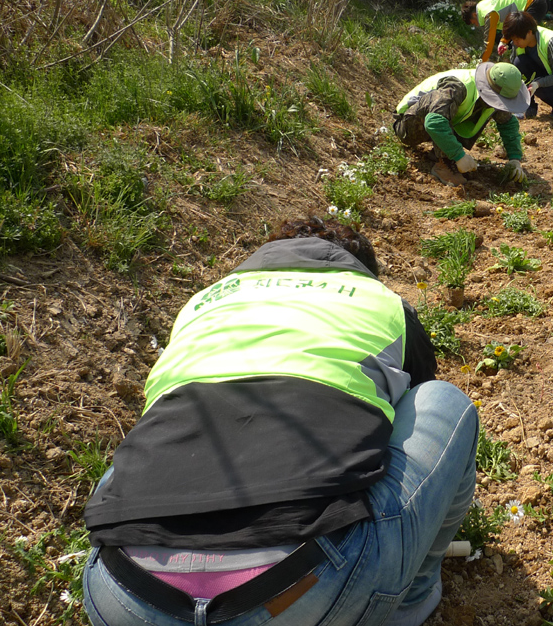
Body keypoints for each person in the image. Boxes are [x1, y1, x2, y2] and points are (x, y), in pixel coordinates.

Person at [82, 217, 479, 626]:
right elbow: (413, 402)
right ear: (358, 266)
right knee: (441, 400)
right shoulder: (383, 301)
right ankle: (410, 601)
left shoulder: (203, 302)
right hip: (304, 595)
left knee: (146, 442)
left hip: (122, 594)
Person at [393, 62, 529, 186]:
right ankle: (443, 164)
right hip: (407, 125)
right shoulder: (457, 86)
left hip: (437, 122)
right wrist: (459, 155)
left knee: (491, 111)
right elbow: (434, 121)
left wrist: (514, 159)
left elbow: (507, 123)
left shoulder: (496, 91)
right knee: (439, 115)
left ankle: (442, 153)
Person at [502, 11, 553, 118]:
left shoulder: (551, 41)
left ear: (529, 32)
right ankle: (528, 105)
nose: (515, 43)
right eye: (513, 40)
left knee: (536, 83)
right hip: (544, 75)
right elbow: (515, 68)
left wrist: (538, 84)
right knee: (518, 64)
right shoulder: (519, 41)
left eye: (517, 39)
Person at [462, 0, 548, 62]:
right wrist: (503, 42)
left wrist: (480, 64)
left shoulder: (487, 14)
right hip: (533, 1)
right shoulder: (484, 6)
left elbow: (488, 44)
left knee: (523, 39)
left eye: (474, 22)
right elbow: (511, 25)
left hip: (533, 3)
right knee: (518, 40)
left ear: (474, 15)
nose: (476, 25)